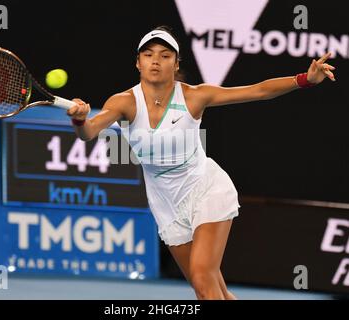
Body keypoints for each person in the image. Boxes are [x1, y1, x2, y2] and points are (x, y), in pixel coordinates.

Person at [67, 26, 336, 300]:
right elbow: (88, 132)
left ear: (176, 63)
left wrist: (304, 79)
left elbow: (257, 91)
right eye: (148, 55)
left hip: (205, 187)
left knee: (203, 279)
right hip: (166, 203)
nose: (156, 61)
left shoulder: (195, 96)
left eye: (165, 55)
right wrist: (79, 119)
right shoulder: (124, 102)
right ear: (138, 63)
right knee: (210, 290)